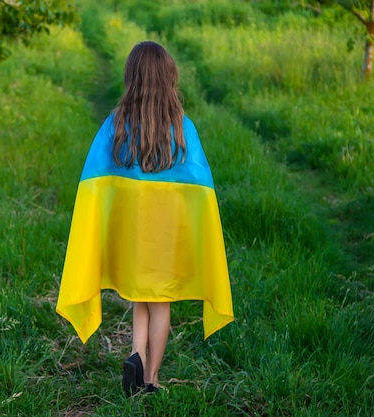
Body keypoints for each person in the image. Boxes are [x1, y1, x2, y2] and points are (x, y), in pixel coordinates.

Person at [56, 41, 233, 397]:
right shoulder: (182, 127)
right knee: (159, 302)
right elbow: (199, 186)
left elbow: (96, 180)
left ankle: (134, 357)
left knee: (140, 297)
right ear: (168, 78)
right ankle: (150, 378)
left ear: (131, 78)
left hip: (133, 231)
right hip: (166, 233)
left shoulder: (115, 124)